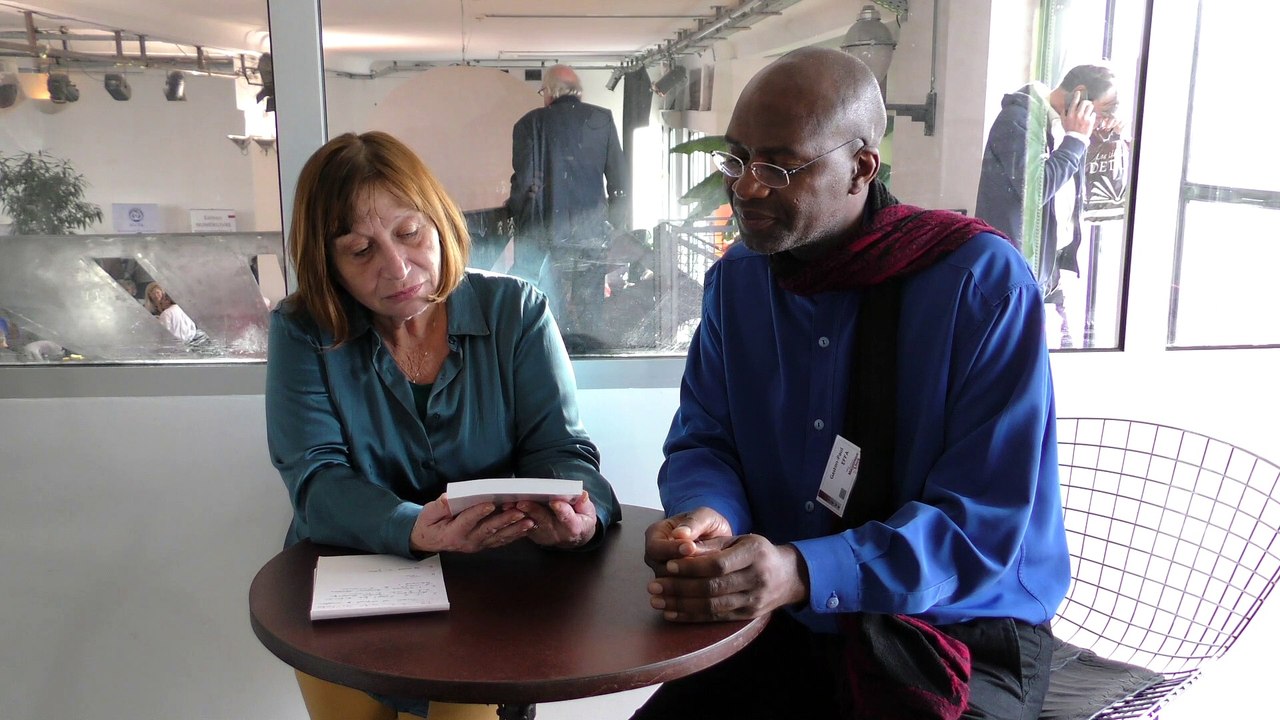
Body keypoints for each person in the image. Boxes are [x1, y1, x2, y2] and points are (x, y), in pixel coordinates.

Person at [634, 48, 1069, 720]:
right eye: (736, 159)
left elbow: (983, 527)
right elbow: (706, 440)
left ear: (862, 167)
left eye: (778, 166)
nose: (747, 187)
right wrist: (709, 513)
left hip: (958, 624)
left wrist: (805, 571)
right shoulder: (737, 284)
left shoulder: (979, 285)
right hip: (787, 615)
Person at [266, 131, 620, 720]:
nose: (397, 268)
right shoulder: (305, 330)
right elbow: (314, 478)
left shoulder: (518, 311)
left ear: (440, 222)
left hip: (486, 592)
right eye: (360, 251)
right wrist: (411, 527)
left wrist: (578, 513)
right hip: (350, 594)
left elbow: (561, 450)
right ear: (327, 265)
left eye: (409, 233)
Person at [975, 64, 1120, 348]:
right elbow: (1036, 190)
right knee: (1020, 363)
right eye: (1103, 111)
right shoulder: (1019, 120)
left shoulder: (1060, 126)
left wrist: (1109, 139)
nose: (1103, 121)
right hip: (1016, 272)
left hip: (1048, 270)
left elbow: (1093, 192)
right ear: (1079, 95)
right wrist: (1076, 139)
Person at [506, 63, 628, 348]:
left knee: (546, 304)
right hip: (592, 234)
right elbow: (619, 182)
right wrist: (616, 227)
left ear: (548, 92)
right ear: (579, 93)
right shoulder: (603, 120)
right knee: (590, 308)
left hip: (545, 234)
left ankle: (551, 359)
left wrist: (517, 221)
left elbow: (525, 183)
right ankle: (592, 359)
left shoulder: (529, 124)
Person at [144, 282, 210, 346]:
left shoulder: (171, 310)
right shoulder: (150, 309)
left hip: (189, 337)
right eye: (152, 294)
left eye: (157, 292)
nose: (155, 296)